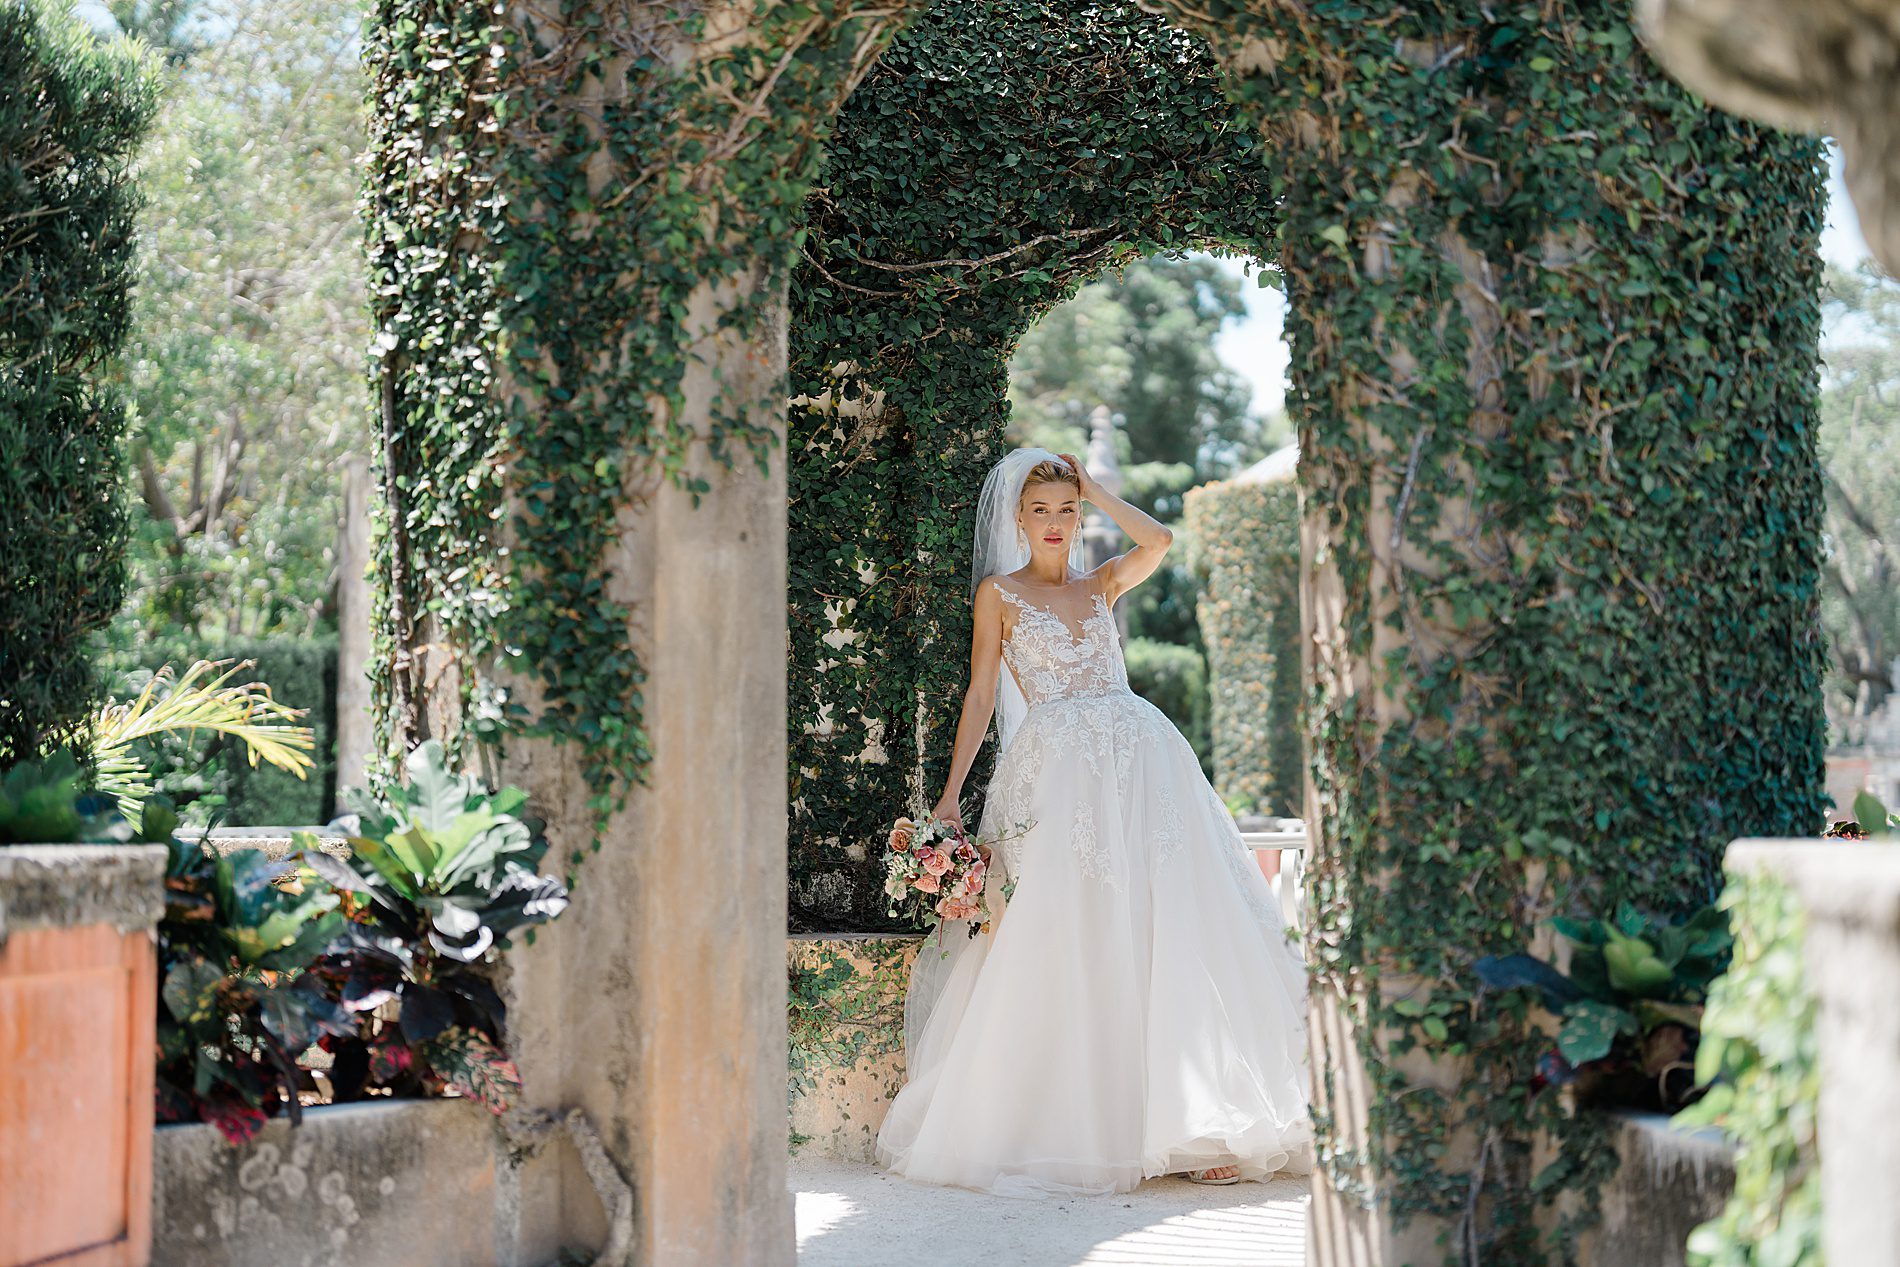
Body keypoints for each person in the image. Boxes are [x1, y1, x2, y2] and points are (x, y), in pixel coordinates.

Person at [873, 446, 1313, 1197]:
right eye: (1040, 511)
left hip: (1144, 766)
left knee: (1164, 927)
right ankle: (1081, 1124)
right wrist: (949, 796)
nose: (1053, 523)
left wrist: (1097, 488)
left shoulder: (1102, 582)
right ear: (1018, 517)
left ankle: (1190, 1124)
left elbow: (1160, 543)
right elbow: (982, 694)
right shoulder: (999, 594)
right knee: (1069, 932)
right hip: (1060, 775)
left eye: (1065, 510)